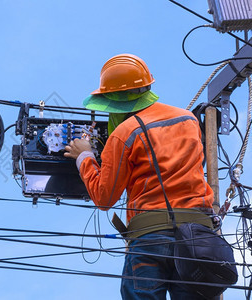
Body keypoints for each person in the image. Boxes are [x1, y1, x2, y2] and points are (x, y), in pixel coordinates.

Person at [64, 54, 216, 299]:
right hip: (197, 237)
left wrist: (85, 157)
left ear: (113, 103)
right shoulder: (189, 120)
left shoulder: (124, 133)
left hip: (150, 237)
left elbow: (105, 197)